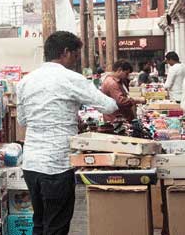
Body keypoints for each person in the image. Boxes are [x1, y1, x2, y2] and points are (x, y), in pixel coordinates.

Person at [17, 31, 118, 235]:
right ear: (65, 52)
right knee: (56, 227)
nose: (76, 60)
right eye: (75, 54)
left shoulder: (25, 82)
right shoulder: (71, 78)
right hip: (56, 165)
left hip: (31, 164)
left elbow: (23, 120)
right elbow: (108, 107)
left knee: (40, 223)